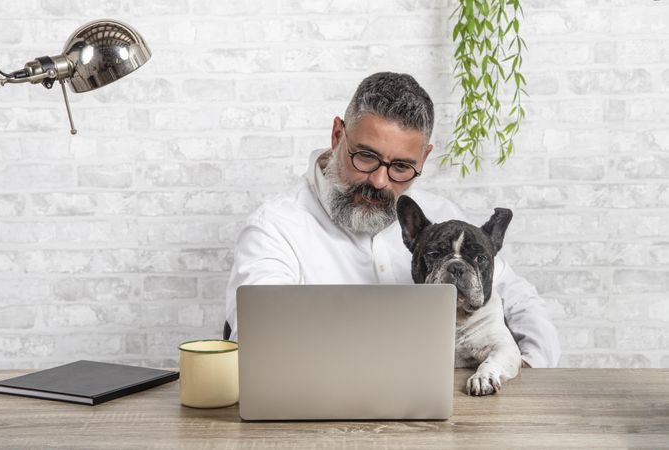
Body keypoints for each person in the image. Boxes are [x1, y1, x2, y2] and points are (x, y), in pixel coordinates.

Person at [223, 72, 560, 368]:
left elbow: (518, 298)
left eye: (401, 167)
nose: (380, 181)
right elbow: (259, 341)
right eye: (366, 157)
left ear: (424, 158)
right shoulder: (274, 228)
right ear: (337, 135)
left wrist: (528, 366)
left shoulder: (441, 220)